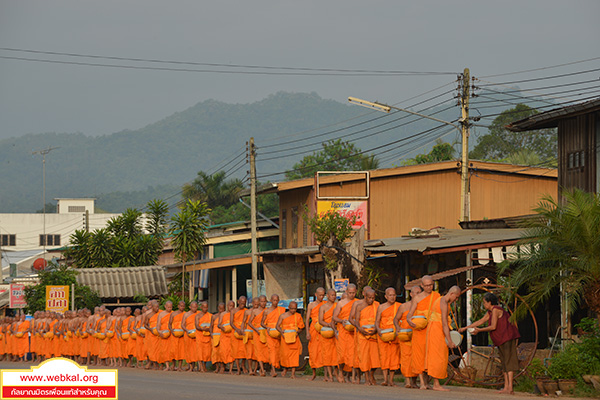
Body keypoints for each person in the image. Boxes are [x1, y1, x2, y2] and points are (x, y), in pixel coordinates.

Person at [459, 292, 521, 395]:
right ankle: (506, 386)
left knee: (509, 361)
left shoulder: (496, 310)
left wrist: (479, 330)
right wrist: (466, 328)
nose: (484, 304)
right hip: (501, 340)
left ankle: (510, 387)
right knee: (504, 362)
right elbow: (481, 321)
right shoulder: (490, 312)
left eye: (484, 302)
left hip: (507, 338)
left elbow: (493, 326)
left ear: (489, 302)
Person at [406, 275, 441, 389]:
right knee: (419, 356)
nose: (429, 287)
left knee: (432, 355)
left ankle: (430, 381)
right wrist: (411, 322)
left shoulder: (437, 296)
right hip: (420, 330)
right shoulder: (417, 298)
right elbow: (409, 315)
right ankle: (422, 382)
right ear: (422, 285)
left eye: (430, 285)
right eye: (426, 285)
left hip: (432, 330)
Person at [425, 286, 460, 391]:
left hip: (434, 329)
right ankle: (436, 384)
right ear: (452, 294)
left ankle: (432, 382)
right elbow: (444, 323)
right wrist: (449, 340)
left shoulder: (440, 299)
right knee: (438, 356)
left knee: (438, 355)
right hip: (437, 330)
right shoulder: (444, 303)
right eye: (456, 297)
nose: (456, 300)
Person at [393, 285, 422, 388]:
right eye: (416, 293)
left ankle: (414, 381)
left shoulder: (422, 306)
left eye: (420, 293)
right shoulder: (404, 306)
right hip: (405, 334)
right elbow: (396, 319)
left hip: (417, 335)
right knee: (406, 357)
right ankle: (408, 380)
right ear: (411, 294)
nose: (418, 295)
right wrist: (397, 328)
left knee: (416, 357)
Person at [332, 284, 357, 383]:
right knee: (342, 354)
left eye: (353, 293)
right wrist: (341, 321)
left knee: (353, 354)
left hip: (353, 331)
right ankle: (341, 372)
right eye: (350, 293)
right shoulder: (341, 303)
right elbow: (334, 317)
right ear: (346, 292)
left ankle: (352, 376)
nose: (352, 295)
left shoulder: (358, 302)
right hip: (343, 331)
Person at [375, 287, 400, 386]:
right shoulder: (381, 307)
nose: (392, 297)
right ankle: (385, 379)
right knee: (384, 356)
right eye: (390, 295)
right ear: (386, 296)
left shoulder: (399, 306)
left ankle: (391, 380)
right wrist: (379, 330)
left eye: (394, 295)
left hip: (394, 334)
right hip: (384, 334)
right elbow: (377, 321)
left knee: (394, 357)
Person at [355, 288, 380, 386]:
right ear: (365, 296)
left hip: (373, 333)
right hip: (362, 334)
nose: (371, 300)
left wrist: (375, 329)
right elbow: (356, 321)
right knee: (364, 357)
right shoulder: (359, 306)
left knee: (375, 358)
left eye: (373, 298)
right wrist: (360, 329)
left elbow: (378, 319)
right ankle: (366, 377)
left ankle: (372, 374)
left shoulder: (377, 305)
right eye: (369, 298)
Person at [275, 301, 305, 378]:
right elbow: (277, 326)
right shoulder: (283, 316)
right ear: (288, 307)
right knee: (285, 355)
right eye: (291, 309)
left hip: (294, 338)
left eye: (295, 309)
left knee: (294, 356)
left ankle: (292, 374)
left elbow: (301, 327)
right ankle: (285, 369)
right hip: (285, 338)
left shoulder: (298, 316)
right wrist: (281, 332)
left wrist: (297, 332)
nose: (293, 311)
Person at [261, 294, 285, 377]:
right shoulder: (267, 311)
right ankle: (273, 370)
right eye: (274, 300)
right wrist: (267, 327)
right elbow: (262, 323)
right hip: (270, 333)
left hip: (278, 333)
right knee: (272, 351)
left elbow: (284, 320)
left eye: (277, 300)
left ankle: (275, 368)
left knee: (279, 351)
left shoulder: (282, 310)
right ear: (271, 300)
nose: (275, 302)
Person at [305, 287, 325, 381]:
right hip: (313, 329)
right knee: (313, 352)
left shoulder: (325, 304)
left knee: (324, 351)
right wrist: (307, 332)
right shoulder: (311, 305)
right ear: (316, 295)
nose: (321, 297)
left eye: (323, 295)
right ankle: (313, 373)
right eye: (320, 295)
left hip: (323, 329)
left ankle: (326, 375)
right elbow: (307, 319)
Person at [318, 288, 338, 383]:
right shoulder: (323, 307)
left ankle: (336, 374)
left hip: (335, 333)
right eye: (332, 295)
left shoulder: (337, 306)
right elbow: (320, 320)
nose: (334, 297)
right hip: (326, 333)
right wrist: (328, 324)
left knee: (336, 355)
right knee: (327, 356)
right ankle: (330, 375)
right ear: (328, 296)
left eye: (335, 295)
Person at [248, 295, 268, 377]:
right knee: (259, 351)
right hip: (257, 333)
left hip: (265, 333)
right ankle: (262, 370)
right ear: (259, 302)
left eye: (264, 301)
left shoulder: (268, 311)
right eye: (262, 301)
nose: (263, 303)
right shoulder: (255, 311)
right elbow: (249, 322)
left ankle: (261, 368)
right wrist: (255, 329)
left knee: (266, 351)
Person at [230, 296, 248, 374]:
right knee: (236, 351)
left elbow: (247, 322)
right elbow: (231, 322)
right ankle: (238, 368)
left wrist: (243, 329)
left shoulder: (246, 311)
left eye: (244, 304)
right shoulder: (233, 311)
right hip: (235, 332)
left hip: (243, 331)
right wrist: (237, 329)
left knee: (244, 350)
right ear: (238, 302)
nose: (242, 305)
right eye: (241, 303)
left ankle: (243, 365)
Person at [243, 297, 259, 375]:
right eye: (255, 304)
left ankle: (255, 369)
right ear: (252, 303)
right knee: (249, 354)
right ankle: (250, 369)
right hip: (249, 334)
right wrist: (242, 330)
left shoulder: (260, 312)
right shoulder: (247, 312)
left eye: (257, 304)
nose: (256, 306)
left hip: (257, 334)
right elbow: (243, 322)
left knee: (256, 354)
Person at [169, 301, 186, 371]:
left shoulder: (185, 314)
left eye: (183, 306)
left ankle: (179, 366)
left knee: (181, 351)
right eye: (181, 306)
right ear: (178, 306)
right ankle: (173, 365)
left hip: (182, 334)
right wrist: (171, 331)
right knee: (173, 350)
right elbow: (169, 324)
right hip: (174, 334)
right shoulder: (173, 314)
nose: (182, 307)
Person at [210, 302, 226, 374]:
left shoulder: (225, 316)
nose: (221, 310)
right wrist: (211, 334)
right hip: (215, 335)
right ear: (218, 308)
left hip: (223, 336)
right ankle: (217, 367)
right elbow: (211, 326)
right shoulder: (214, 316)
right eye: (220, 308)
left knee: (222, 352)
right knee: (215, 352)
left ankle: (223, 367)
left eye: (222, 309)